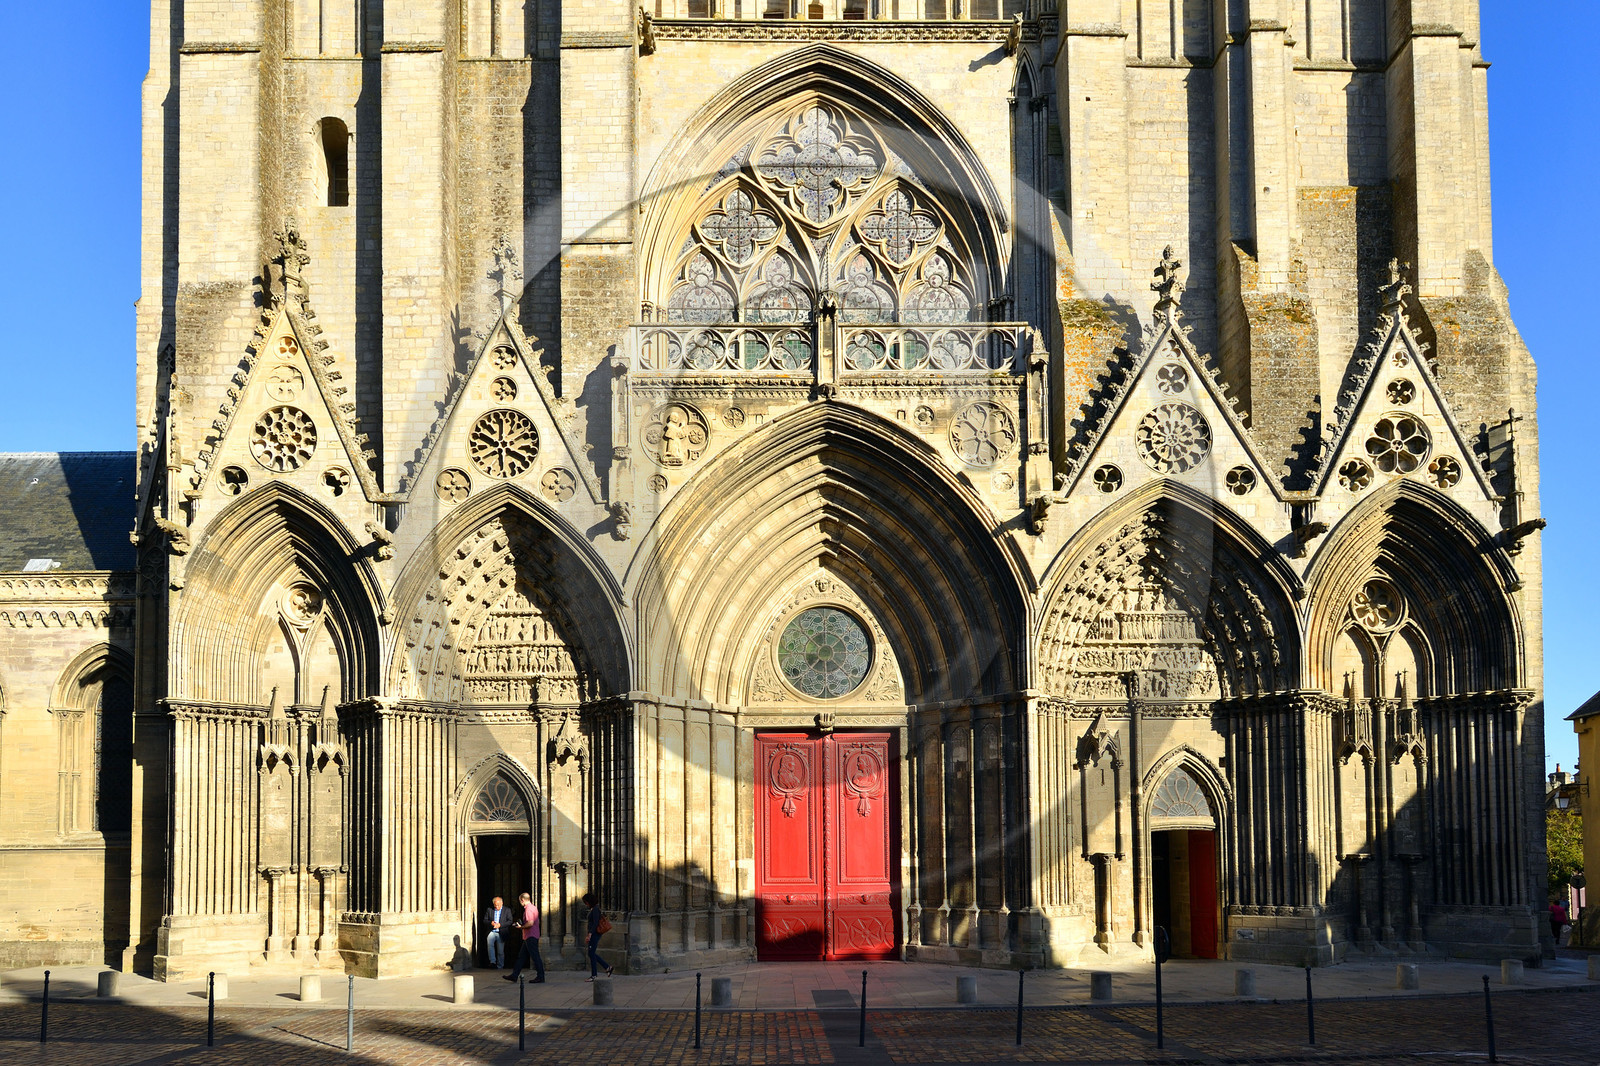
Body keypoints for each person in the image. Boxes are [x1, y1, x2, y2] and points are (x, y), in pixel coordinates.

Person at [504, 891, 546, 983]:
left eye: (520, 901)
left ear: (522, 900)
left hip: (530, 935)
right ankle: (514, 975)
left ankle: (541, 976)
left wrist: (521, 927)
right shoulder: (533, 907)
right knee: (521, 957)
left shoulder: (528, 909)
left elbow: (530, 923)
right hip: (529, 935)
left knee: (535, 957)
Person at [583, 891, 615, 981]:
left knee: (591, 953)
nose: (586, 904)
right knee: (591, 953)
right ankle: (607, 967)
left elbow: (595, 923)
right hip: (594, 934)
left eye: (586, 902)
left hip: (595, 934)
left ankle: (594, 975)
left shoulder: (596, 909)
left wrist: (590, 934)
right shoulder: (594, 909)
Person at [483, 895, 513, 969]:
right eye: (496, 905)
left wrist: (500, 925)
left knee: (500, 950)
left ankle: (500, 966)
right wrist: (491, 923)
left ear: (502, 903)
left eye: (499, 905)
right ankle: (492, 962)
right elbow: (485, 920)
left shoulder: (507, 910)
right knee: (490, 946)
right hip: (492, 931)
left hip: (501, 932)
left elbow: (510, 921)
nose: (497, 907)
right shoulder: (489, 910)